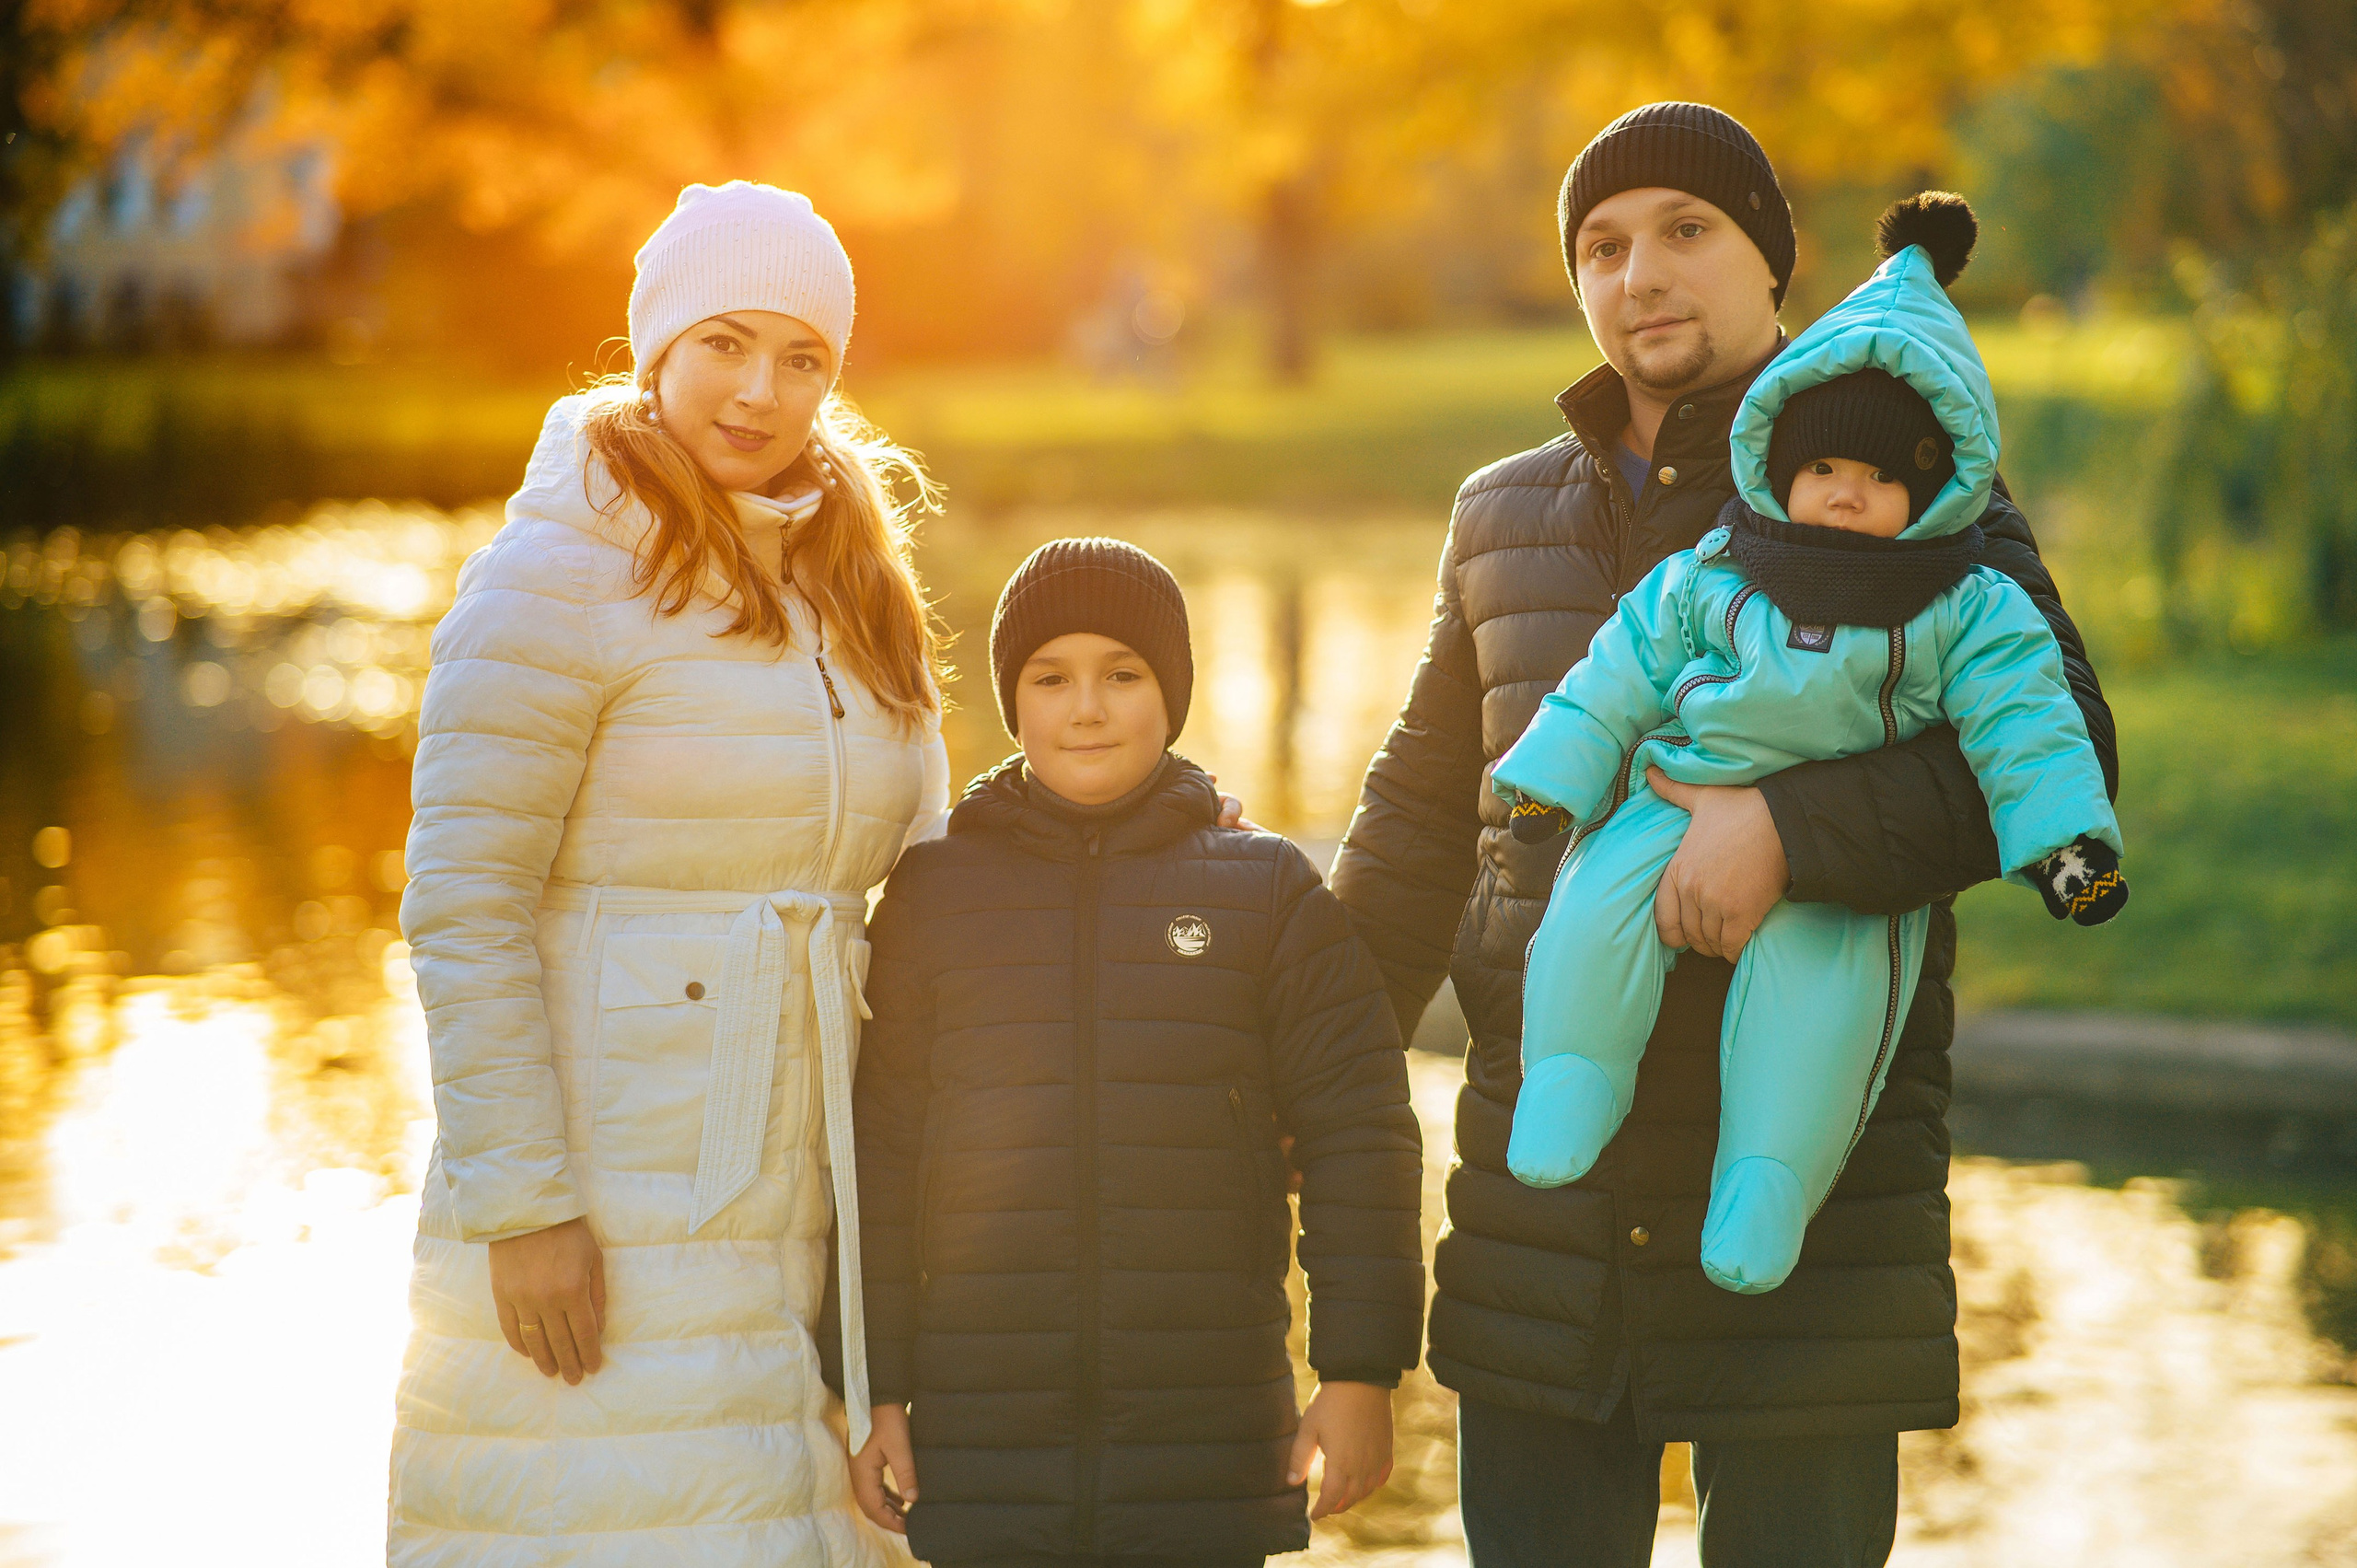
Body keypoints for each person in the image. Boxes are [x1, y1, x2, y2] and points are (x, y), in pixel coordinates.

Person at [1327, 104, 2119, 1567]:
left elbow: (2058, 747)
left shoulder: (1903, 492)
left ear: (1774, 267)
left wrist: (1785, 828)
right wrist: (1303, 1069)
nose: (1643, 273)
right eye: (1604, 246)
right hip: (1543, 1218)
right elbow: (1422, 817)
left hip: (1813, 1206)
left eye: (1688, 231)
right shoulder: (1502, 514)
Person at [388, 180, 955, 1566]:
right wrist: (523, 1206)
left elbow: (930, 874)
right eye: (726, 342)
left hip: (802, 1210)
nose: (761, 391)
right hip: (605, 1211)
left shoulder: (853, 581)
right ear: (657, 347)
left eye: (803, 357)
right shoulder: (552, 575)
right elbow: (464, 904)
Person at [1492, 192, 2126, 1298]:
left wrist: (2058, 842)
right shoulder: (1704, 564)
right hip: (1662, 807)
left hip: (1843, 895)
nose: (1847, 490)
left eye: (1687, 230)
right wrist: (1547, 783)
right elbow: (1613, 676)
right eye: (1604, 246)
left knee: (1817, 1011)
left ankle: (1768, 1180)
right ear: (1778, 457)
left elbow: (2033, 723)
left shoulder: (1960, 590)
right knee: (1592, 915)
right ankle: (1569, 1075)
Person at [838, 539, 1426, 1568]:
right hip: (983, 1441)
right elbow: (879, 1154)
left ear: (1175, 692)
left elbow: (1359, 1134)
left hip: (1204, 1440)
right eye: (1049, 677)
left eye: (1123, 673)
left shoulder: (1267, 890)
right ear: (1013, 702)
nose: (1087, 706)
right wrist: (875, 1386)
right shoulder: (934, 894)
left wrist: (1359, 1371)